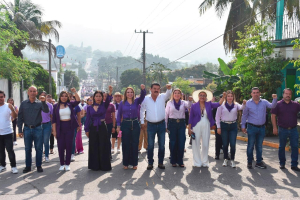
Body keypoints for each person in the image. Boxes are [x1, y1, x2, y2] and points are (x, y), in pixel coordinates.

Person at [241, 87, 277, 169]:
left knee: (259, 146)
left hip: (261, 128)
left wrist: (274, 99)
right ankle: (249, 162)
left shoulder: (264, 102)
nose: (256, 94)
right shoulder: (248, 103)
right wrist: (243, 126)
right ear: (251, 94)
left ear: (259, 93)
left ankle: (258, 162)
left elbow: (272, 106)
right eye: (254, 92)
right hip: (251, 127)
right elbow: (244, 115)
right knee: (250, 145)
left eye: (257, 92)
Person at [188, 90, 226, 168]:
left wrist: (224, 97)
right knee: (196, 144)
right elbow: (190, 117)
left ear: (206, 97)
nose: (202, 97)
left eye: (204, 95)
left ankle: (205, 161)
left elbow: (218, 104)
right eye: (201, 95)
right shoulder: (194, 106)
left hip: (206, 125)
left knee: (205, 144)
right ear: (198, 97)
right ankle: (197, 162)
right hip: (196, 126)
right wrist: (189, 128)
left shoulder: (209, 104)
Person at [140, 83, 172, 170]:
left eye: (158, 88)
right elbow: (142, 110)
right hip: (150, 125)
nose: (156, 90)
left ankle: (160, 162)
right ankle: (150, 163)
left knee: (161, 145)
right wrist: (142, 121)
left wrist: (169, 88)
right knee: (150, 145)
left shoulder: (162, 97)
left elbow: (168, 94)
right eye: (154, 88)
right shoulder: (146, 98)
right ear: (150, 89)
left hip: (161, 124)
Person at [18, 86, 49, 173]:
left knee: (38, 148)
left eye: (34, 91)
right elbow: (20, 117)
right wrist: (20, 130)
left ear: (36, 93)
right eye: (30, 91)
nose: (32, 93)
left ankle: (38, 165)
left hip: (38, 128)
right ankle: (28, 166)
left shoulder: (40, 103)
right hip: (27, 128)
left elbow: (46, 111)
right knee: (28, 148)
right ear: (28, 92)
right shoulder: (23, 103)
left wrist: (43, 102)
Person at [117, 84, 146, 170]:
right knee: (125, 144)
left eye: (131, 92)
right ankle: (125, 163)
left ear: (133, 93)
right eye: (128, 92)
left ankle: (134, 163)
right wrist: (118, 125)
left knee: (134, 143)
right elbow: (119, 115)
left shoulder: (136, 101)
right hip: (125, 124)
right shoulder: (122, 103)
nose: (129, 94)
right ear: (125, 94)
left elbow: (142, 97)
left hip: (135, 124)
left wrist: (143, 89)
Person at [84, 86, 113, 171]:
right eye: (96, 96)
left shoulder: (105, 105)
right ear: (93, 97)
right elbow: (87, 119)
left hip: (102, 126)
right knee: (93, 145)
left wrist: (110, 91)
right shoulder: (89, 108)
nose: (98, 98)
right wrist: (86, 130)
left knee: (103, 145)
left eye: (100, 96)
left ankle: (104, 166)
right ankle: (94, 166)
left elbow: (108, 99)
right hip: (93, 127)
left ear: (102, 97)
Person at [271, 88, 300, 171]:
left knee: (294, 147)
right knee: (281, 147)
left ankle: (294, 164)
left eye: (289, 94)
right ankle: (282, 163)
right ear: (283, 94)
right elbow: (273, 116)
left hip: (294, 129)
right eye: (286, 93)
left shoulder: (296, 105)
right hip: (282, 129)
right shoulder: (277, 104)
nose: (288, 95)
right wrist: (274, 127)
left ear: (291, 95)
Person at [216, 90, 246, 168]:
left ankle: (232, 160)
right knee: (225, 144)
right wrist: (218, 127)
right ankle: (225, 159)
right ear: (226, 97)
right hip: (224, 125)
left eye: (231, 96)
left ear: (233, 97)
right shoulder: (221, 105)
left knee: (233, 144)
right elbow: (217, 117)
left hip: (233, 126)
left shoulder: (236, 105)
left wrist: (244, 103)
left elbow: (242, 107)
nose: (230, 97)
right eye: (228, 96)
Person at [52, 88, 80, 171]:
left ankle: (67, 163)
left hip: (69, 126)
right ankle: (61, 163)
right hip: (60, 127)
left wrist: (75, 92)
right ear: (60, 97)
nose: (63, 97)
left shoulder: (70, 104)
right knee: (60, 146)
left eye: (65, 96)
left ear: (67, 97)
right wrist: (54, 131)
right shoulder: (55, 106)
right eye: (62, 96)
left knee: (68, 145)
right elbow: (53, 119)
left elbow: (78, 100)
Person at [165, 89, 193, 167]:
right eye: (175, 93)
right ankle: (173, 160)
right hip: (172, 123)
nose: (177, 94)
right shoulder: (169, 103)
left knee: (181, 141)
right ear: (173, 95)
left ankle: (180, 160)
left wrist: (190, 100)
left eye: (178, 93)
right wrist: (165, 126)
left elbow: (190, 106)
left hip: (181, 123)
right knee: (173, 142)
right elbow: (166, 114)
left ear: (181, 95)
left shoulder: (184, 103)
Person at [0, 91, 18, 174]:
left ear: (4, 97)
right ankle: (2, 165)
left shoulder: (8, 106)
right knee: (1, 151)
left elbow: (14, 117)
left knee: (10, 150)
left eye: (1, 97)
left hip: (8, 132)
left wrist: (13, 110)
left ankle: (13, 166)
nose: (0, 98)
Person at [40, 91, 53, 163]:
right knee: (39, 142)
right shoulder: (37, 105)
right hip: (38, 125)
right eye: (41, 96)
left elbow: (52, 116)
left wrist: (52, 127)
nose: (42, 97)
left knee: (46, 141)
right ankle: (40, 155)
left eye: (44, 96)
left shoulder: (50, 105)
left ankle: (46, 156)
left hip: (47, 125)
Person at [103, 92, 116, 156]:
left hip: (109, 124)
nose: (104, 97)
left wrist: (113, 126)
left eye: (106, 96)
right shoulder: (99, 104)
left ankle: (109, 154)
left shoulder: (111, 105)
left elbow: (113, 116)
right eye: (103, 96)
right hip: (101, 124)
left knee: (107, 139)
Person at [70, 96, 82, 161]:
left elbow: (79, 116)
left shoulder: (77, 106)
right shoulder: (65, 105)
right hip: (65, 125)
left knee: (72, 139)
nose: (72, 100)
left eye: (73, 99)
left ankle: (72, 154)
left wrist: (79, 125)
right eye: (70, 98)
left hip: (74, 125)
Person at [213, 95, 223, 160]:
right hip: (217, 125)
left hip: (226, 125)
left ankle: (226, 153)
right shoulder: (216, 106)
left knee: (225, 140)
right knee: (218, 140)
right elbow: (213, 116)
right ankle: (217, 154)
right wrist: (214, 124)